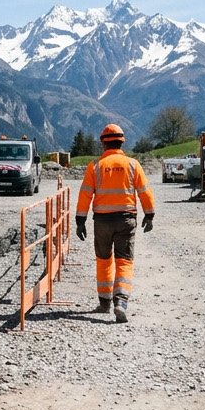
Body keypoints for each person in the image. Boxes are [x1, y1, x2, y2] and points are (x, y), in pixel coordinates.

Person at [74, 124, 155, 323]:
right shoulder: (133, 164)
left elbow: (85, 194)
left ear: (103, 143)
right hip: (126, 220)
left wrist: (80, 221)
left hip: (102, 221)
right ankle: (121, 302)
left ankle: (104, 303)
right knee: (124, 261)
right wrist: (149, 214)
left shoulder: (95, 166)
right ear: (122, 142)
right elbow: (144, 191)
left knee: (103, 261)